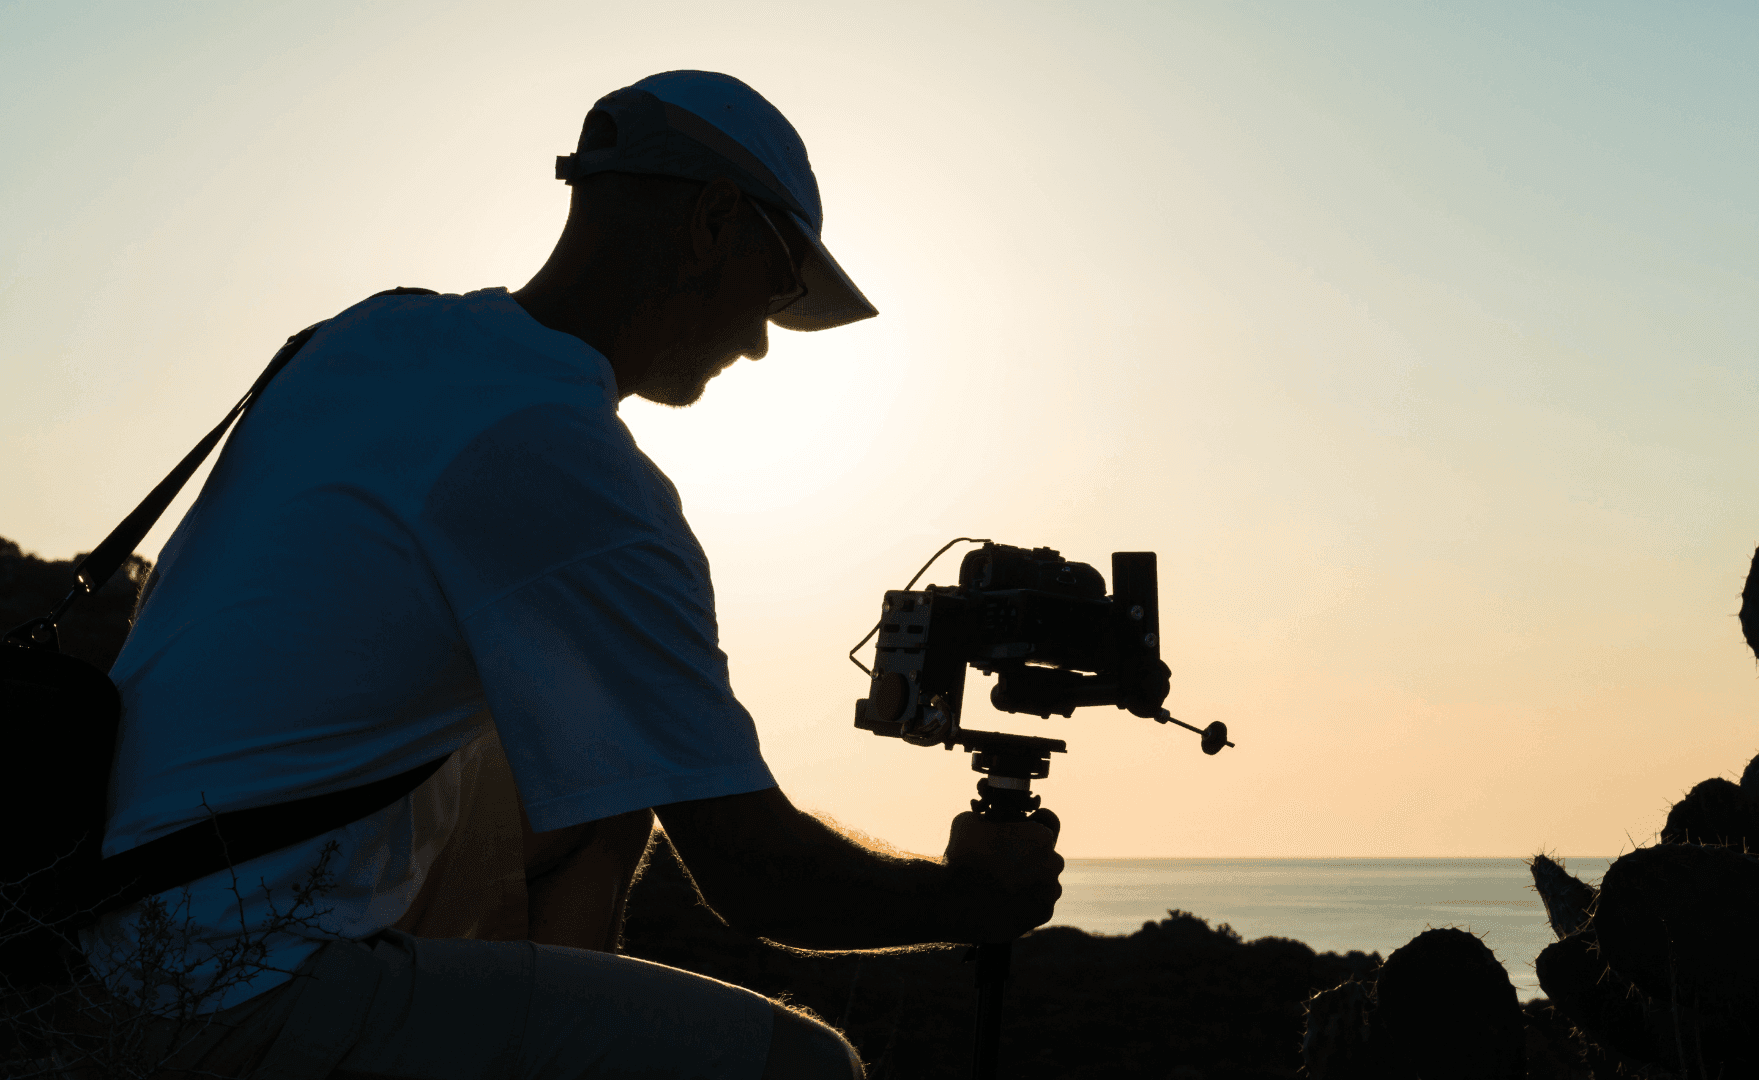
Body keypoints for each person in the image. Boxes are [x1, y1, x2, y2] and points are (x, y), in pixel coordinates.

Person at [88, 70, 1062, 1079]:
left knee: (604, 778)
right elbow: (756, 879)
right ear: (714, 223)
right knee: (809, 1071)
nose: (764, 343)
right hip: (223, 989)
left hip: (107, 913)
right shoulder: (567, 462)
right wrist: (972, 899)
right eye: (776, 287)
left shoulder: (373, 336)